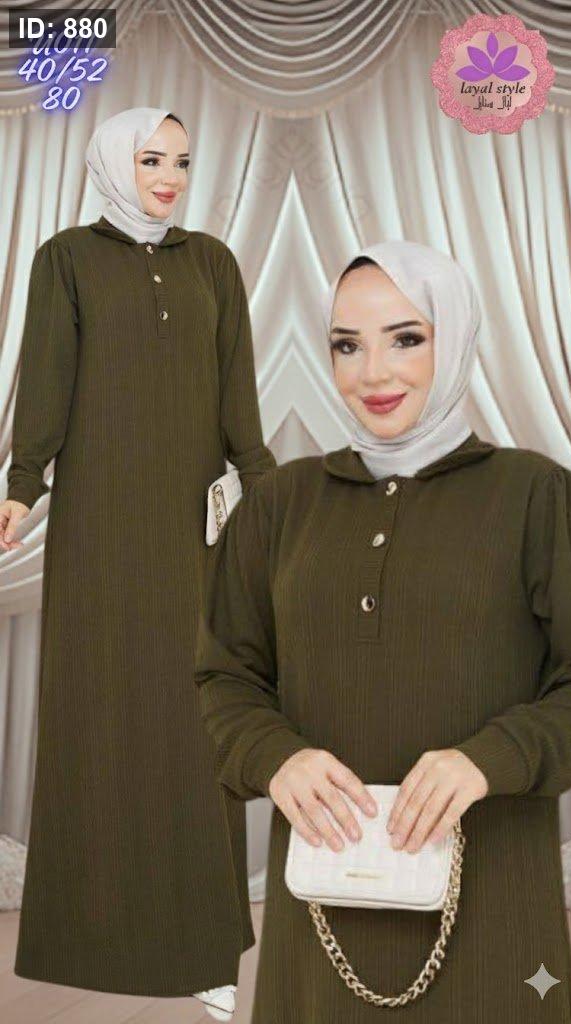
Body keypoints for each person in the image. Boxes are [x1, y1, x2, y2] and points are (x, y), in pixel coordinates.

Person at [193, 239, 571, 1023]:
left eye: (405, 338)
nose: (372, 373)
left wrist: (489, 758)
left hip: (495, 907)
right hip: (321, 909)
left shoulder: (537, 497)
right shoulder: (278, 505)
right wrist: (275, 756)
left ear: (455, 335)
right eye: (347, 345)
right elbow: (223, 676)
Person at [0, 107, 275, 1017]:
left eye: (182, 161)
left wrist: (266, 490)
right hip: (99, 533)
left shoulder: (212, 263)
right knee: (104, 717)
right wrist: (23, 486)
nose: (169, 177)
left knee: (192, 724)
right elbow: (46, 381)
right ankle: (91, 939)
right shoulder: (66, 260)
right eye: (152, 159)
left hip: (191, 536)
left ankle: (201, 947)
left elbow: (237, 393)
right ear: (116, 162)